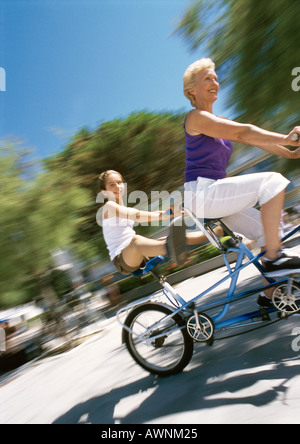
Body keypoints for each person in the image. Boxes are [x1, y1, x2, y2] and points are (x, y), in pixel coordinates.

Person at [182, 58, 300, 305]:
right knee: (272, 182)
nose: (215, 82)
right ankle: (274, 260)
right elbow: (242, 133)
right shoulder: (195, 118)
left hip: (216, 197)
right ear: (192, 89)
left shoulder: (218, 120)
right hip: (203, 194)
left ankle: (269, 294)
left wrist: (289, 152)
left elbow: (255, 140)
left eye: (215, 77)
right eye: (207, 78)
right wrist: (287, 138)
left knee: (269, 230)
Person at [98, 170, 223, 275]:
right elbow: (136, 216)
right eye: (111, 185)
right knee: (136, 241)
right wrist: (165, 215)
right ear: (104, 192)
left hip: (139, 252)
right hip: (123, 259)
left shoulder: (123, 207)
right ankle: (173, 248)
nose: (117, 187)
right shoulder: (109, 206)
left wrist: (171, 213)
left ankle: (217, 231)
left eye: (119, 183)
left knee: (170, 238)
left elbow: (141, 216)